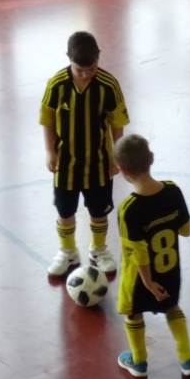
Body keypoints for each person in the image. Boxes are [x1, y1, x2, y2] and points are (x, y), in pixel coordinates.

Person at [39, 31, 130, 276]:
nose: (86, 74)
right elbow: (47, 119)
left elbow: (117, 122)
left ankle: (98, 249)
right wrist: (49, 151)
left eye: (91, 68)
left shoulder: (108, 85)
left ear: (98, 57)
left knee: (99, 212)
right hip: (65, 164)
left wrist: (116, 155)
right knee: (65, 211)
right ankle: (67, 251)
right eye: (80, 70)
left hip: (99, 163)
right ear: (68, 59)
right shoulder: (57, 84)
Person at [113, 134, 190, 378]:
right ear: (151, 158)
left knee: (133, 312)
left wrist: (148, 282)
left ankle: (138, 361)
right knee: (172, 306)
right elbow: (185, 229)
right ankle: (187, 358)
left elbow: (137, 251)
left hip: (141, 276)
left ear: (121, 170)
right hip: (170, 269)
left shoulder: (129, 208)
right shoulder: (173, 191)